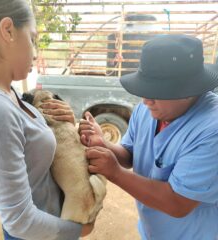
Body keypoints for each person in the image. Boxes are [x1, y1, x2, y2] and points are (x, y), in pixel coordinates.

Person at [79, 34, 218, 240]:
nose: (146, 100)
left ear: (189, 91)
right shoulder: (147, 110)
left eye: (156, 91)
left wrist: (115, 173)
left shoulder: (210, 129)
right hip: (153, 232)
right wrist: (104, 144)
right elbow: (129, 155)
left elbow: (177, 203)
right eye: (145, 89)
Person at [0, 0, 93, 239]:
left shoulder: (8, 93)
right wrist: (78, 230)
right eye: (32, 39)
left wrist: (65, 127)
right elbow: (19, 221)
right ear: (7, 30)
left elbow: (28, 149)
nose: (35, 51)